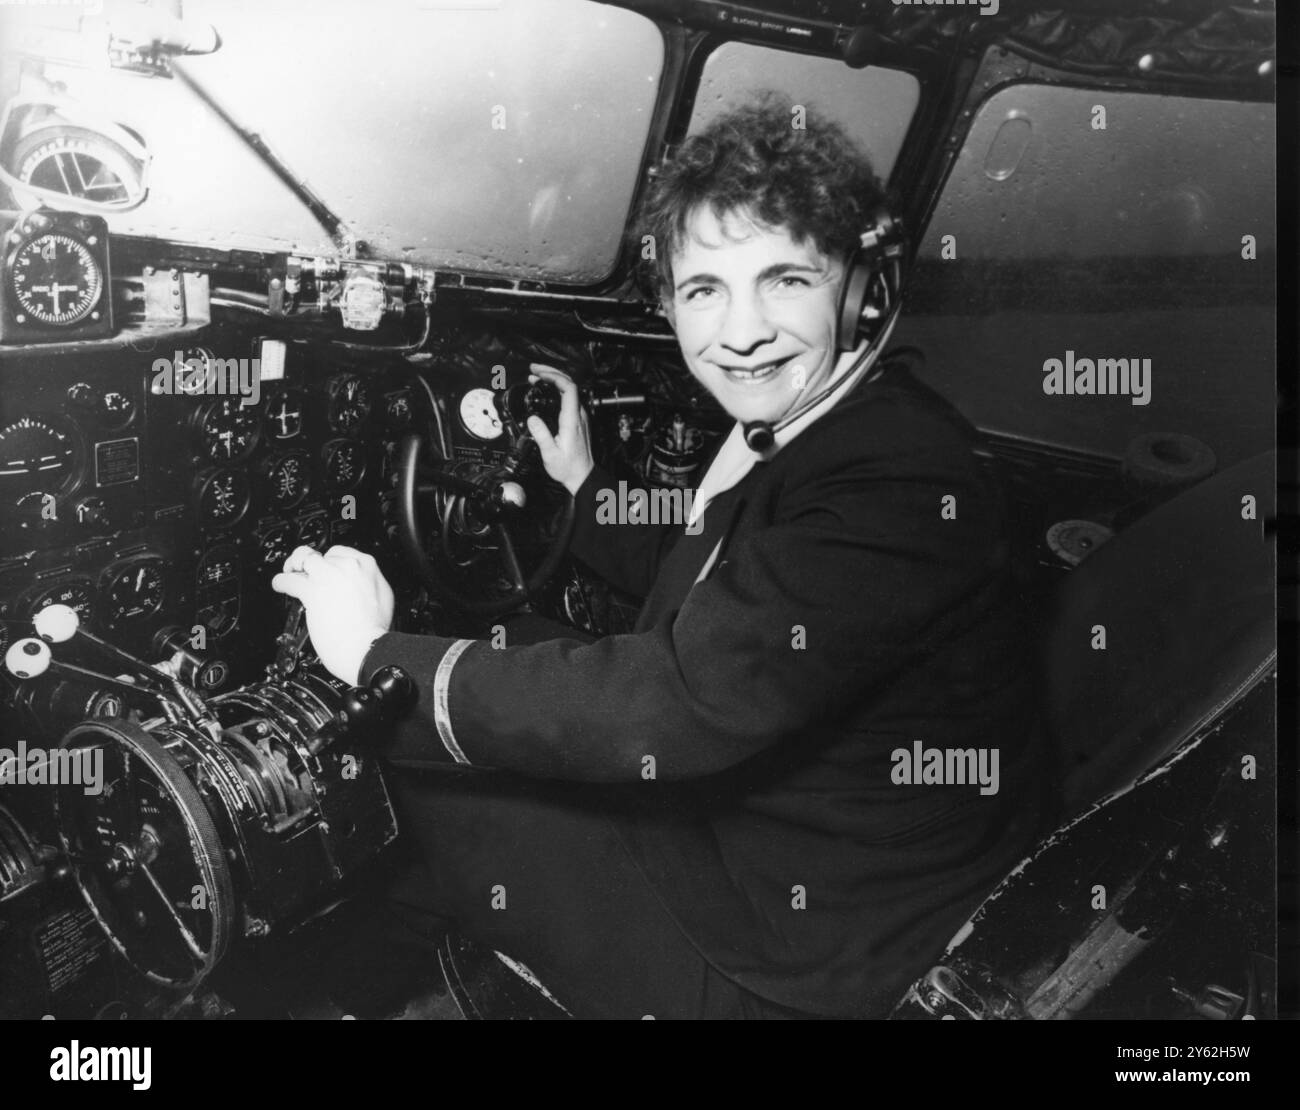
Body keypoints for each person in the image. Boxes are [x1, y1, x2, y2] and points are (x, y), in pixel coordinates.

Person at [272, 97, 1052, 1019]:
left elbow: (676, 704)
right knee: (516, 643)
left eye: (787, 280)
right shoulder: (841, 426)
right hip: (819, 852)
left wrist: (376, 660)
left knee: (405, 770)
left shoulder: (904, 481)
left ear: (860, 289)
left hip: (790, 952)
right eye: (705, 290)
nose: (742, 331)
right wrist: (583, 489)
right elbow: (736, 582)